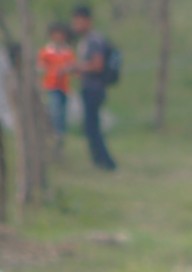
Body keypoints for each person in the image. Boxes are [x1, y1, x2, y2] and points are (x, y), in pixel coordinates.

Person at [70, 5, 115, 171]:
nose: (76, 25)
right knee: (90, 126)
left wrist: (77, 68)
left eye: (79, 22)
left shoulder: (94, 40)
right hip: (89, 87)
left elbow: (98, 65)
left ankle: (105, 162)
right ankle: (99, 161)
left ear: (88, 21)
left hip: (94, 88)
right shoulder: (85, 40)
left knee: (92, 126)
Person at [38, 22, 75, 156]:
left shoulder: (67, 51)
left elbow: (72, 67)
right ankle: (54, 133)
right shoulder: (47, 51)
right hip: (51, 86)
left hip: (63, 86)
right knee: (55, 111)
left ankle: (60, 138)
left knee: (62, 114)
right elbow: (41, 66)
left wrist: (66, 69)